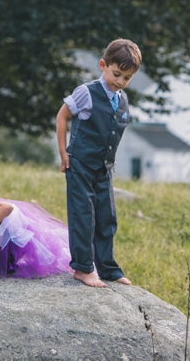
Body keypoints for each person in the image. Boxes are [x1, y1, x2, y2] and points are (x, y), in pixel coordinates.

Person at [56, 38, 141, 288]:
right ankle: (83, 267)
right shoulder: (87, 92)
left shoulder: (122, 99)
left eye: (127, 78)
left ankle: (108, 268)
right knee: (84, 215)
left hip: (103, 169)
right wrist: (64, 153)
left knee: (107, 217)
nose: (120, 81)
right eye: (116, 74)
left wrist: (109, 159)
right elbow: (62, 116)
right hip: (80, 164)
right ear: (103, 65)